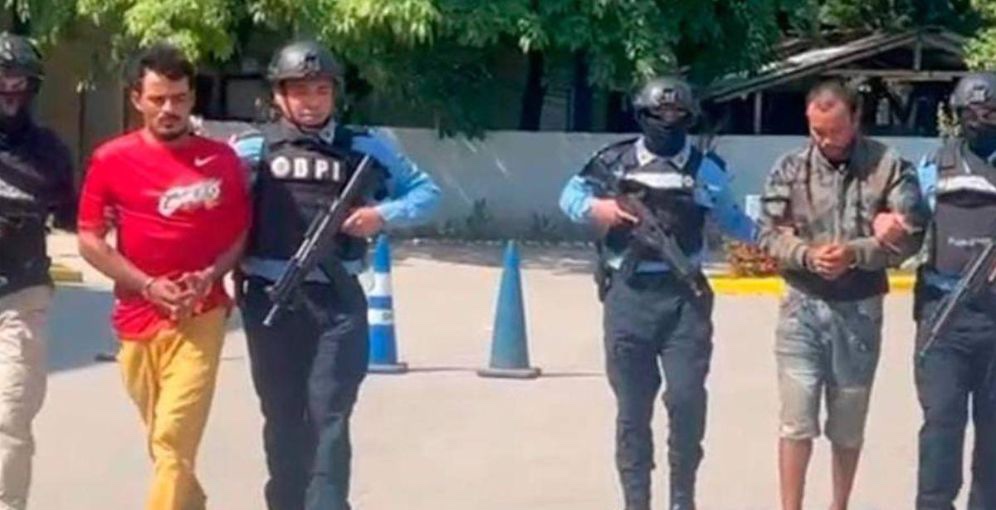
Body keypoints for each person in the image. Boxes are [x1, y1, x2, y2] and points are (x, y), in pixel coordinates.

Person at [230, 40, 440, 510]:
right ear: (279, 95)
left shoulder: (363, 146)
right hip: (271, 299)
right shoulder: (252, 148)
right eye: (300, 90)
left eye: (321, 90)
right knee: (283, 416)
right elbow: (219, 204)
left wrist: (380, 215)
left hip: (338, 303)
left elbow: (426, 192)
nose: (312, 101)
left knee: (330, 415)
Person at [559, 76, 756, 510]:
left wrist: (782, 240)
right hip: (628, 296)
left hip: (684, 299)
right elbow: (569, 197)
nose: (668, 121)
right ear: (642, 115)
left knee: (686, 401)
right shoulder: (614, 162)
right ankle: (636, 501)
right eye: (659, 113)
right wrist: (599, 208)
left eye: (677, 114)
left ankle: (682, 498)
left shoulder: (705, 169)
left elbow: (734, 220)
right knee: (632, 411)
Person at [76, 43, 250, 510]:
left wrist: (210, 274)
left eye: (179, 98)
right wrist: (147, 285)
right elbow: (89, 238)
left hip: (201, 313)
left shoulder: (221, 160)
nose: (169, 109)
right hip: (136, 318)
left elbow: (240, 233)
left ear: (192, 98)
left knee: (173, 436)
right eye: (158, 99)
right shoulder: (111, 159)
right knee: (164, 441)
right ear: (137, 99)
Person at [757, 80, 928, 510]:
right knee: (796, 421)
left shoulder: (889, 166)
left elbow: (913, 235)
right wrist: (806, 254)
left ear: (856, 117)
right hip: (801, 306)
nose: (825, 140)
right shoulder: (789, 168)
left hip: (859, 309)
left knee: (848, 425)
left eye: (834, 130)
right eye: (816, 131)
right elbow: (766, 233)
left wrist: (857, 252)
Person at [913, 72, 996, 510]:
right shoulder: (933, 166)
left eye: (991, 112)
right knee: (940, 430)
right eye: (973, 112)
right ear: (959, 115)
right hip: (943, 315)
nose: (982, 120)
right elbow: (909, 225)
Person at [0, 32, 76, 510]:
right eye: (1, 82)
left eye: (19, 82)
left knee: (9, 415)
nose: (10, 92)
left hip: (20, 297)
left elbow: (76, 218)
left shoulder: (48, 151)